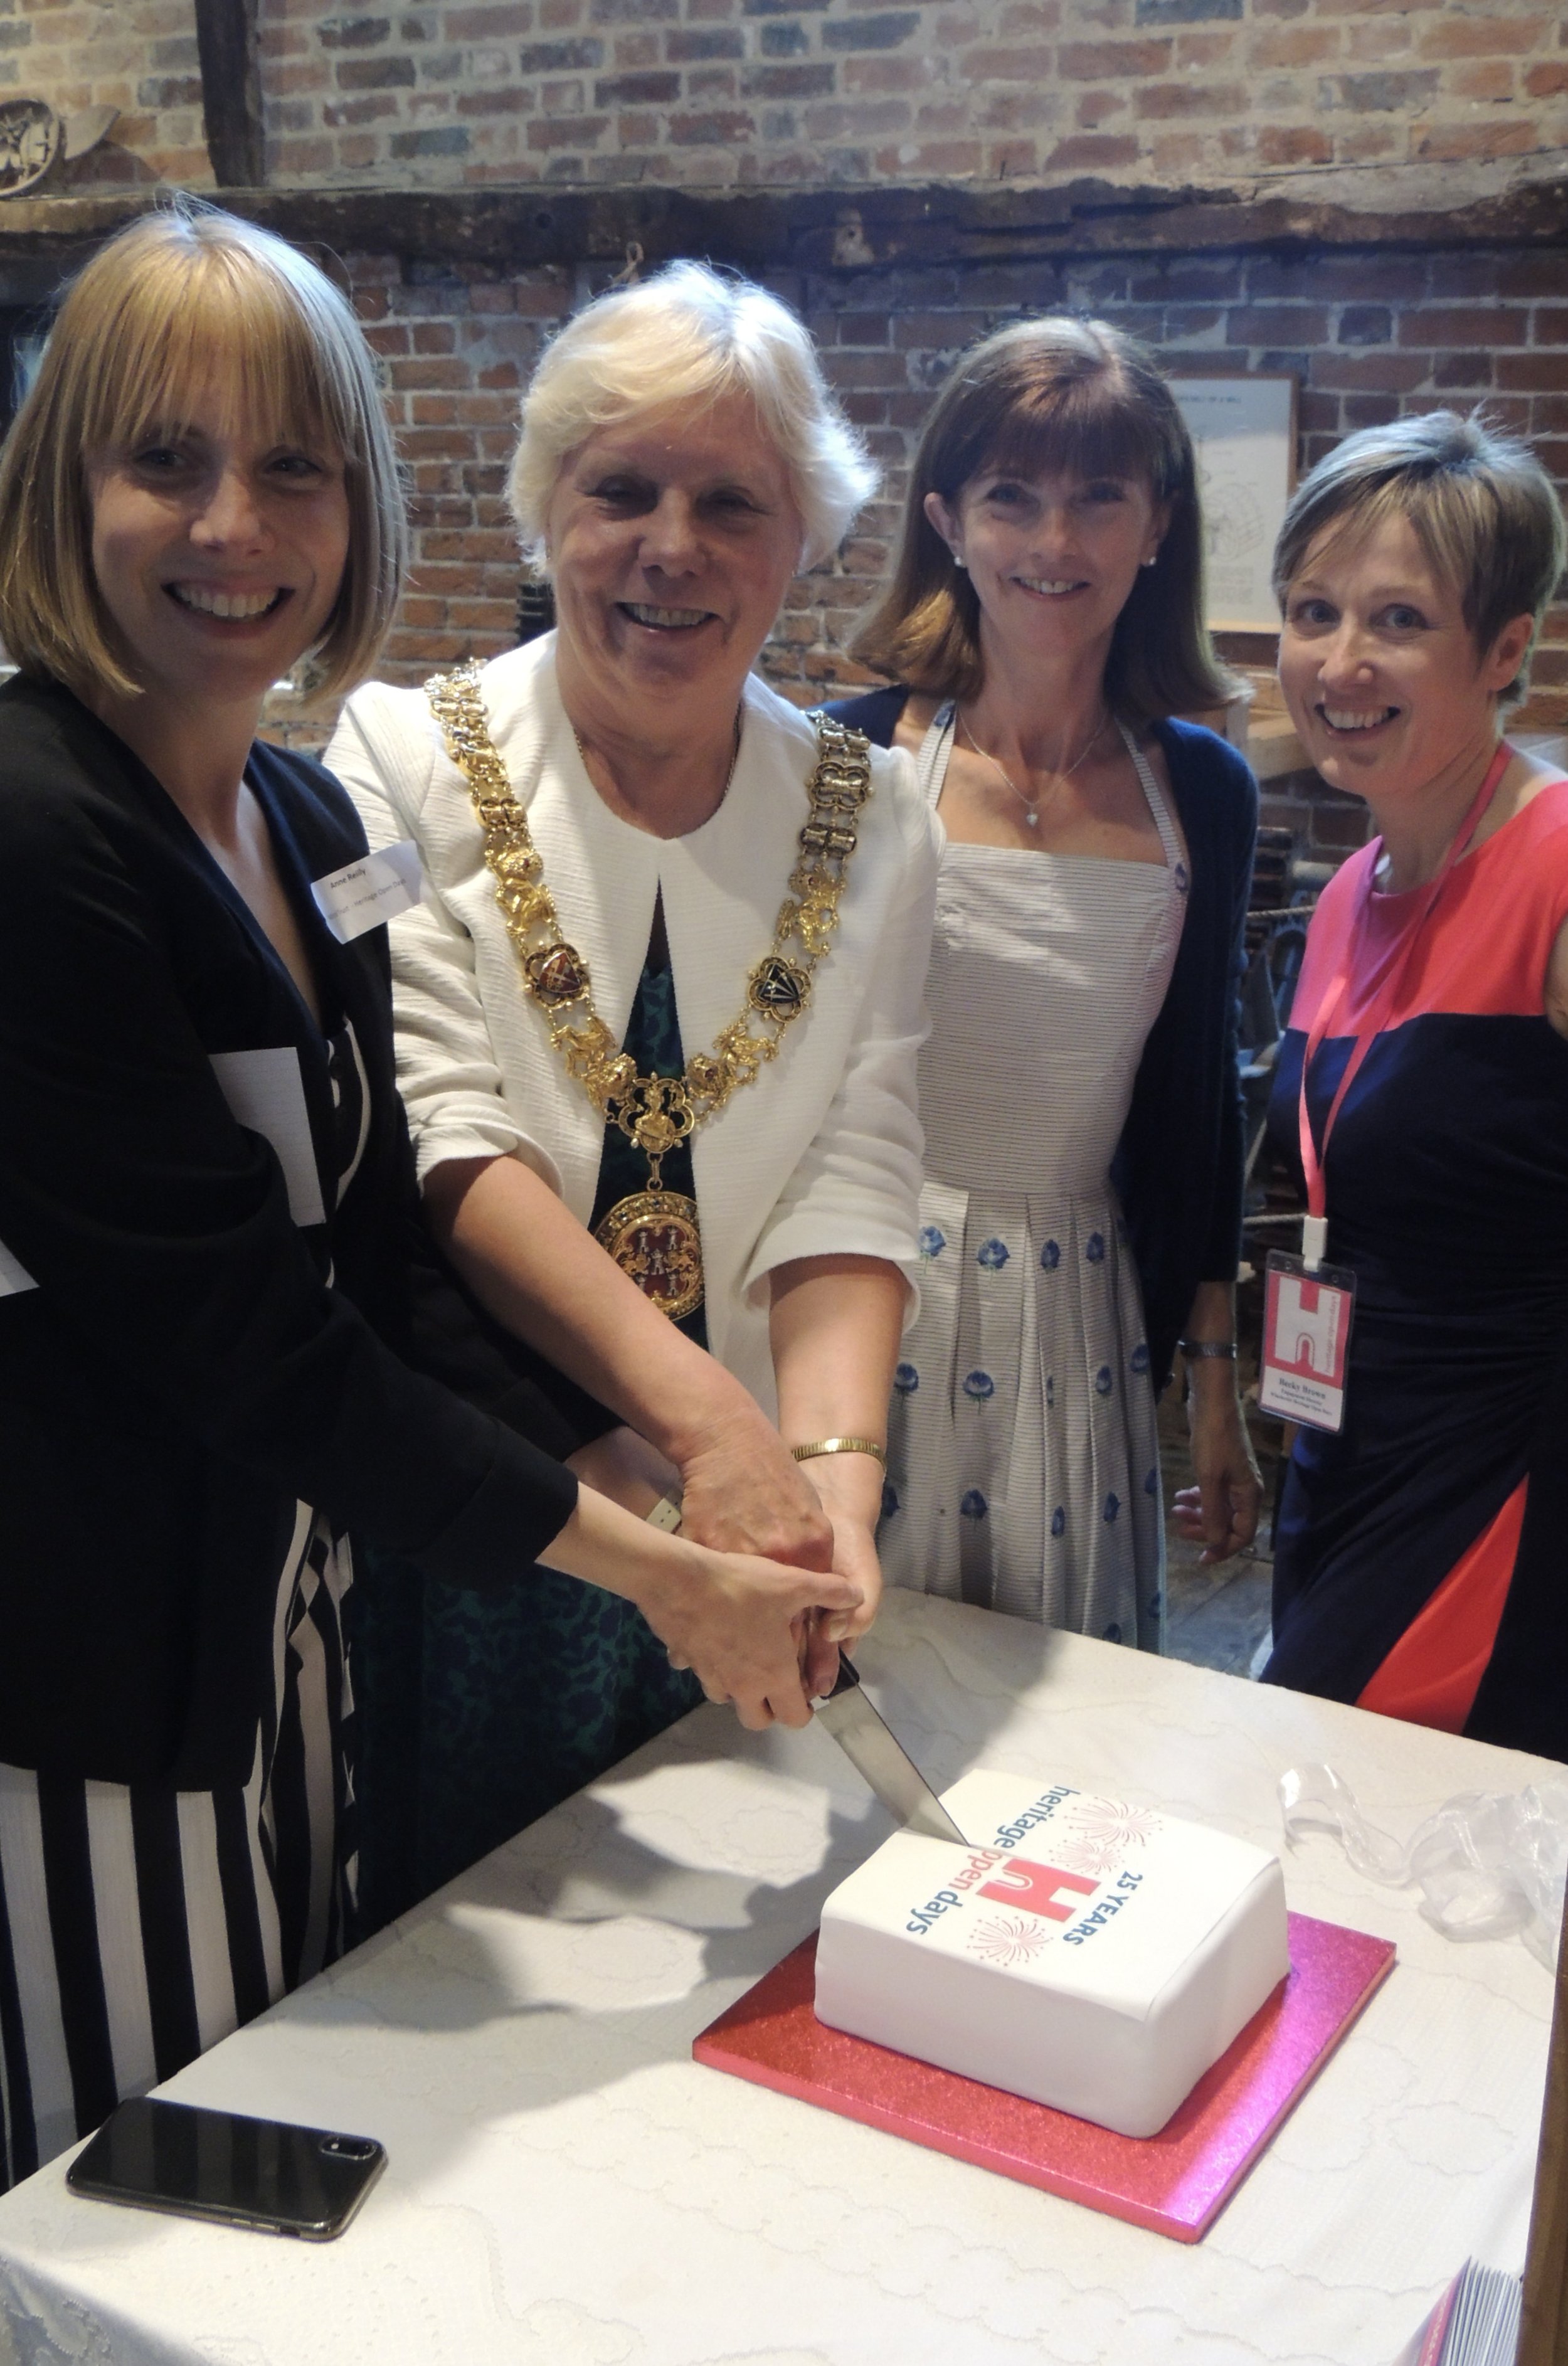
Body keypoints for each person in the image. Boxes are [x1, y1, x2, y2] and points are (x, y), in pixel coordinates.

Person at [0, 206, 859, 2186]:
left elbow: (388, 1247)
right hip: (85, 1660)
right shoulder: (34, 828)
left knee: (292, 2118)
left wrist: (649, 1454)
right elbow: (242, 1335)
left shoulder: (305, 819)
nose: (234, 524)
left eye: (290, 464)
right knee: (126, 2179)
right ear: (65, 482)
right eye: (166, 460)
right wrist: (651, 1562)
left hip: (287, 1616)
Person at [325, 260, 938, 1906]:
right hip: (503, 1503)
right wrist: (703, 1437)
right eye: (620, 491)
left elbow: (857, 1167)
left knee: (761, 1958)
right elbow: (438, 1136)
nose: (672, 546)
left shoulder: (876, 813)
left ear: (803, 536)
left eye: (732, 500)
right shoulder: (393, 760)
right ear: (542, 511)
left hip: (757, 1526)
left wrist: (829, 1490)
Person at [825, 316, 1263, 1643]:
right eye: (1012, 497)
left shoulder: (1200, 789)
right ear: (946, 518)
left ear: (1156, 524)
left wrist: (1210, 1375)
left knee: (1062, 1703)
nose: (1054, 544)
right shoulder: (837, 765)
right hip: (862, 1291)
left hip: (1081, 1305)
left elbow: (1194, 1097)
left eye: (1097, 497)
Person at [1261, 410, 1568, 1757]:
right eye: (1311, 609)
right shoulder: (1345, 889)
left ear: (1504, 648)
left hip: (1505, 1471)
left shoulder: (1556, 864)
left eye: (1396, 619)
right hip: (1342, 1447)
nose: (1338, 662)